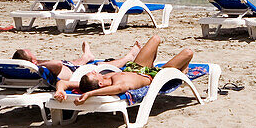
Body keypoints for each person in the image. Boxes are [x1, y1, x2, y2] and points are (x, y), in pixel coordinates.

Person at [54, 35, 194, 104]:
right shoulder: (117, 86)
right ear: (100, 84)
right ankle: (182, 71)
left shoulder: (90, 83)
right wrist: (89, 95)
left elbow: (64, 83)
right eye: (93, 74)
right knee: (188, 52)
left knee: (155, 38)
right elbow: (118, 90)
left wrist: (59, 90)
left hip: (136, 67)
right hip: (156, 76)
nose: (94, 71)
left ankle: (157, 64)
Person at [12, 41, 141, 84]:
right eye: (30, 52)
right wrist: (36, 64)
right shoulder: (39, 68)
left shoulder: (22, 71)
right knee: (100, 66)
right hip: (76, 74)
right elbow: (57, 64)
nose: (32, 51)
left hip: (72, 69)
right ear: (32, 60)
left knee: (77, 62)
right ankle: (128, 57)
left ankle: (86, 56)